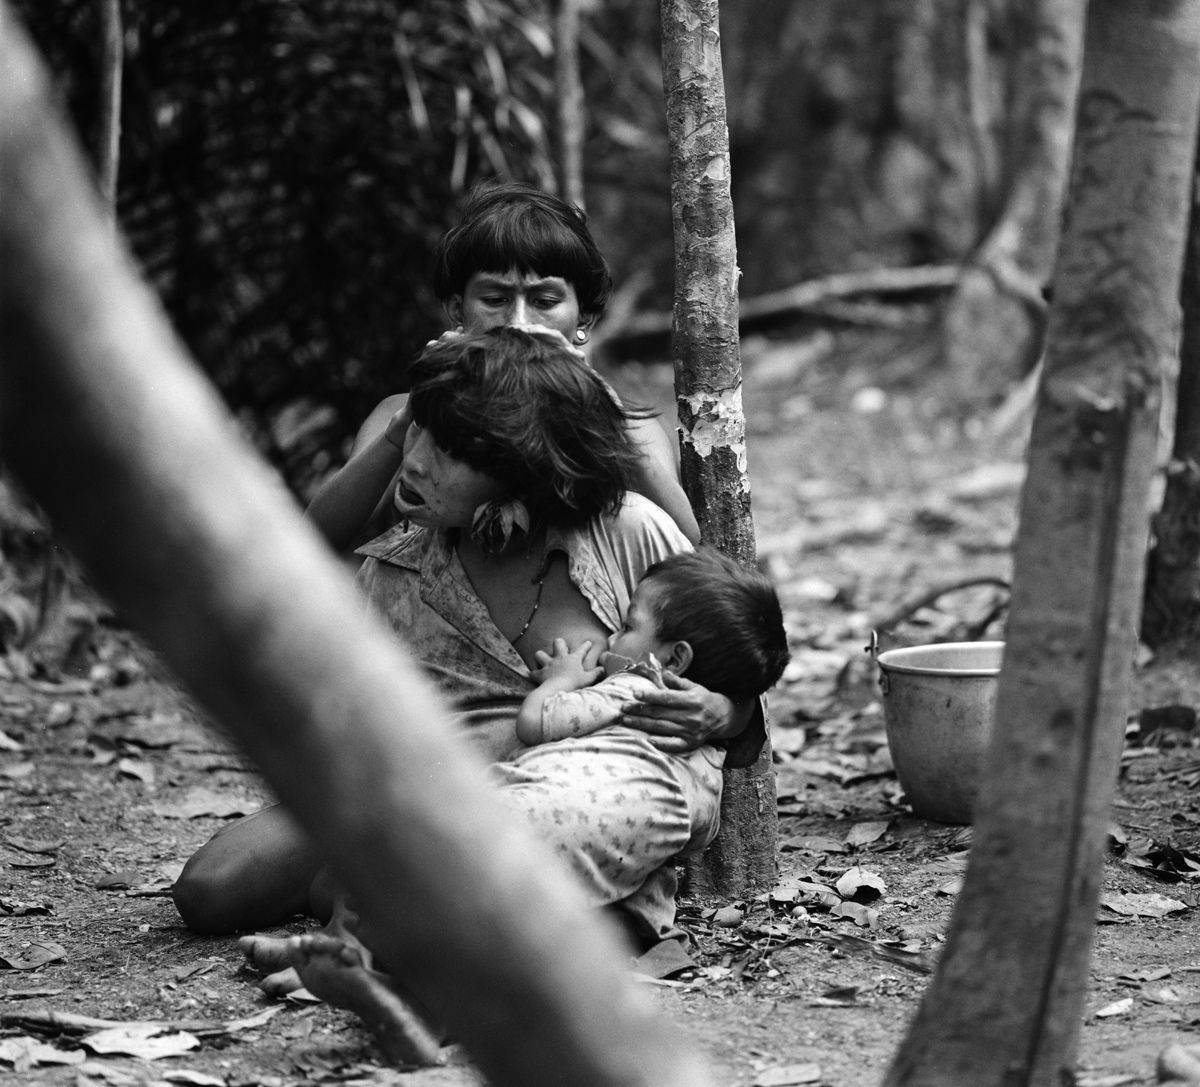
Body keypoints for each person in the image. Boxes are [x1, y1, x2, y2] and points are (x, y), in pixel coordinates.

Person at [172, 329, 765, 958]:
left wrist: (725, 711)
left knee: (462, 926)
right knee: (210, 890)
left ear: (522, 468)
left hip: (562, 817)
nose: (415, 461)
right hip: (423, 791)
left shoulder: (628, 535)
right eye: (416, 432)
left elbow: (738, 686)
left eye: (449, 449)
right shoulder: (397, 560)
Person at [305, 182, 701, 552]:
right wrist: (407, 424)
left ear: (583, 320)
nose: (518, 322)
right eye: (495, 299)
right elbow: (316, 542)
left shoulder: (626, 425)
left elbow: (682, 543)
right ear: (458, 310)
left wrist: (605, 411)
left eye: (544, 302)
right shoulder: (401, 417)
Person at [508, 548, 789, 897]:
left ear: (674, 660)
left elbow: (534, 722)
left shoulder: (637, 688)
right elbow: (699, 833)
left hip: (526, 818)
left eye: (627, 627)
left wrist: (561, 678)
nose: (611, 639)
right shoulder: (708, 773)